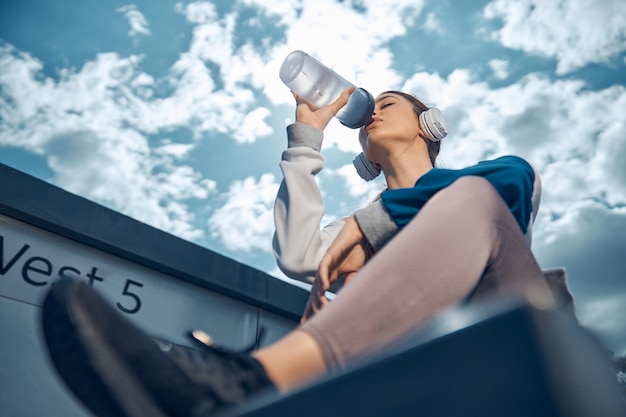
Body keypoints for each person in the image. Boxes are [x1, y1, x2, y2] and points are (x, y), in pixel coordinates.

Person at [41, 87, 574, 417]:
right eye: (367, 117)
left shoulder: (480, 183)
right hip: (427, 380)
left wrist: (379, 221)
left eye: (388, 106)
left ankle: (247, 382)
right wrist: (307, 138)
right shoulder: (356, 231)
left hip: (515, 347)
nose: (372, 116)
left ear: (428, 124)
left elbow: (512, 181)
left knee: (471, 200)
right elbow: (299, 255)